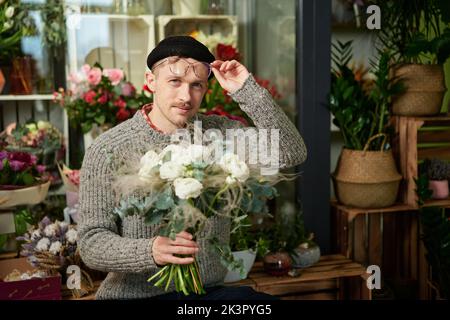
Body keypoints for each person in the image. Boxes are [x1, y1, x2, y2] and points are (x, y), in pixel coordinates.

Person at [78, 35, 307, 300]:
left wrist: (246, 89)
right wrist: (150, 251)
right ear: (151, 81)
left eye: (196, 85)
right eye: (175, 81)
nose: (186, 96)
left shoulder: (221, 134)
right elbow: (91, 242)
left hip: (206, 293)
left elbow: (291, 152)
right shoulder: (108, 148)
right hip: (135, 295)